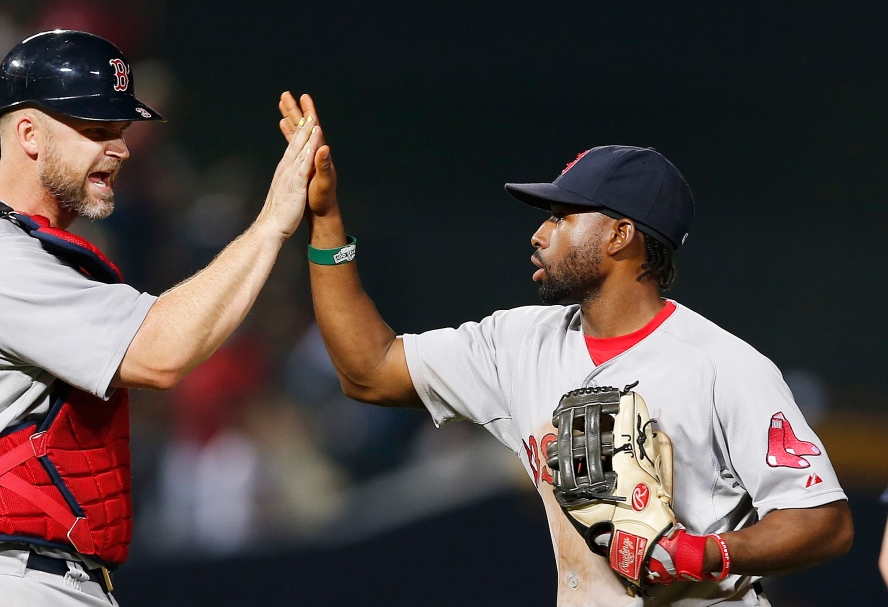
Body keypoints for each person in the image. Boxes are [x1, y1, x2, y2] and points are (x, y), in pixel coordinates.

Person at [277, 93, 853, 606]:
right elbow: (369, 372)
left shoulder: (722, 367)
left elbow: (825, 523)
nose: (539, 234)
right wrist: (326, 222)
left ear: (620, 235)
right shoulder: (519, 343)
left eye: (561, 216)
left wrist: (706, 554)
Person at [0, 30, 321, 606]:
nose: (119, 148)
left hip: (32, 574)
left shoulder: (33, 253)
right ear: (29, 134)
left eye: (119, 131)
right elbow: (161, 351)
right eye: (94, 130)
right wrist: (271, 223)